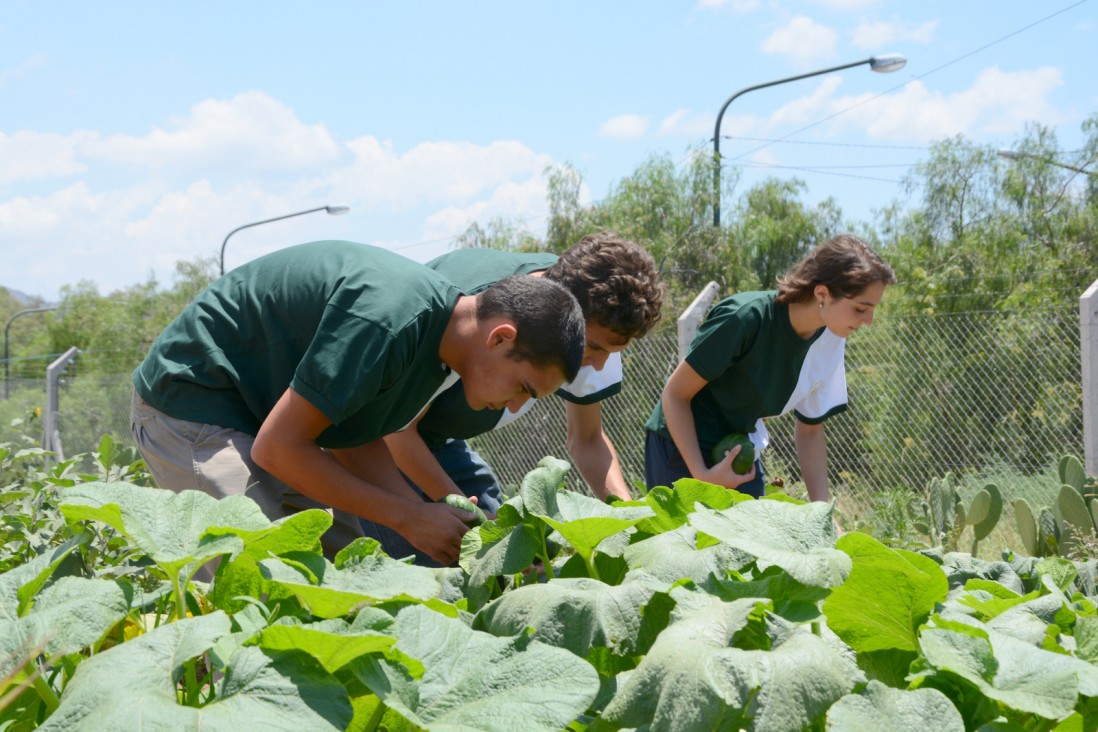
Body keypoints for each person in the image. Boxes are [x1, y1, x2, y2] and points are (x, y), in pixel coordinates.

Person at [130, 239, 585, 567]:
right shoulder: (389, 321)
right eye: (523, 388)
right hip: (193, 400)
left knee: (351, 567)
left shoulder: (438, 350)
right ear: (500, 337)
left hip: (262, 418)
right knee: (260, 569)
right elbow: (278, 448)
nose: (512, 407)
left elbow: (351, 440)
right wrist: (407, 515)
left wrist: (429, 516)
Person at [362, 232, 665, 565]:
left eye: (613, 351)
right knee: (443, 571)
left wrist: (630, 518)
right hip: (367, 434)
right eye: (594, 348)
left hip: (438, 440)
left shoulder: (599, 328)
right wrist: (475, 526)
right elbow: (397, 432)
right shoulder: (475, 312)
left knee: (508, 560)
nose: (601, 363)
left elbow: (588, 440)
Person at [644, 233, 895, 501]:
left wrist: (822, 511)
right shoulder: (746, 317)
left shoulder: (832, 338)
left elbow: (810, 431)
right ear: (822, 293)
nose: (869, 320)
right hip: (681, 449)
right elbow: (675, 395)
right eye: (860, 308)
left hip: (739, 451)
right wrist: (703, 475)